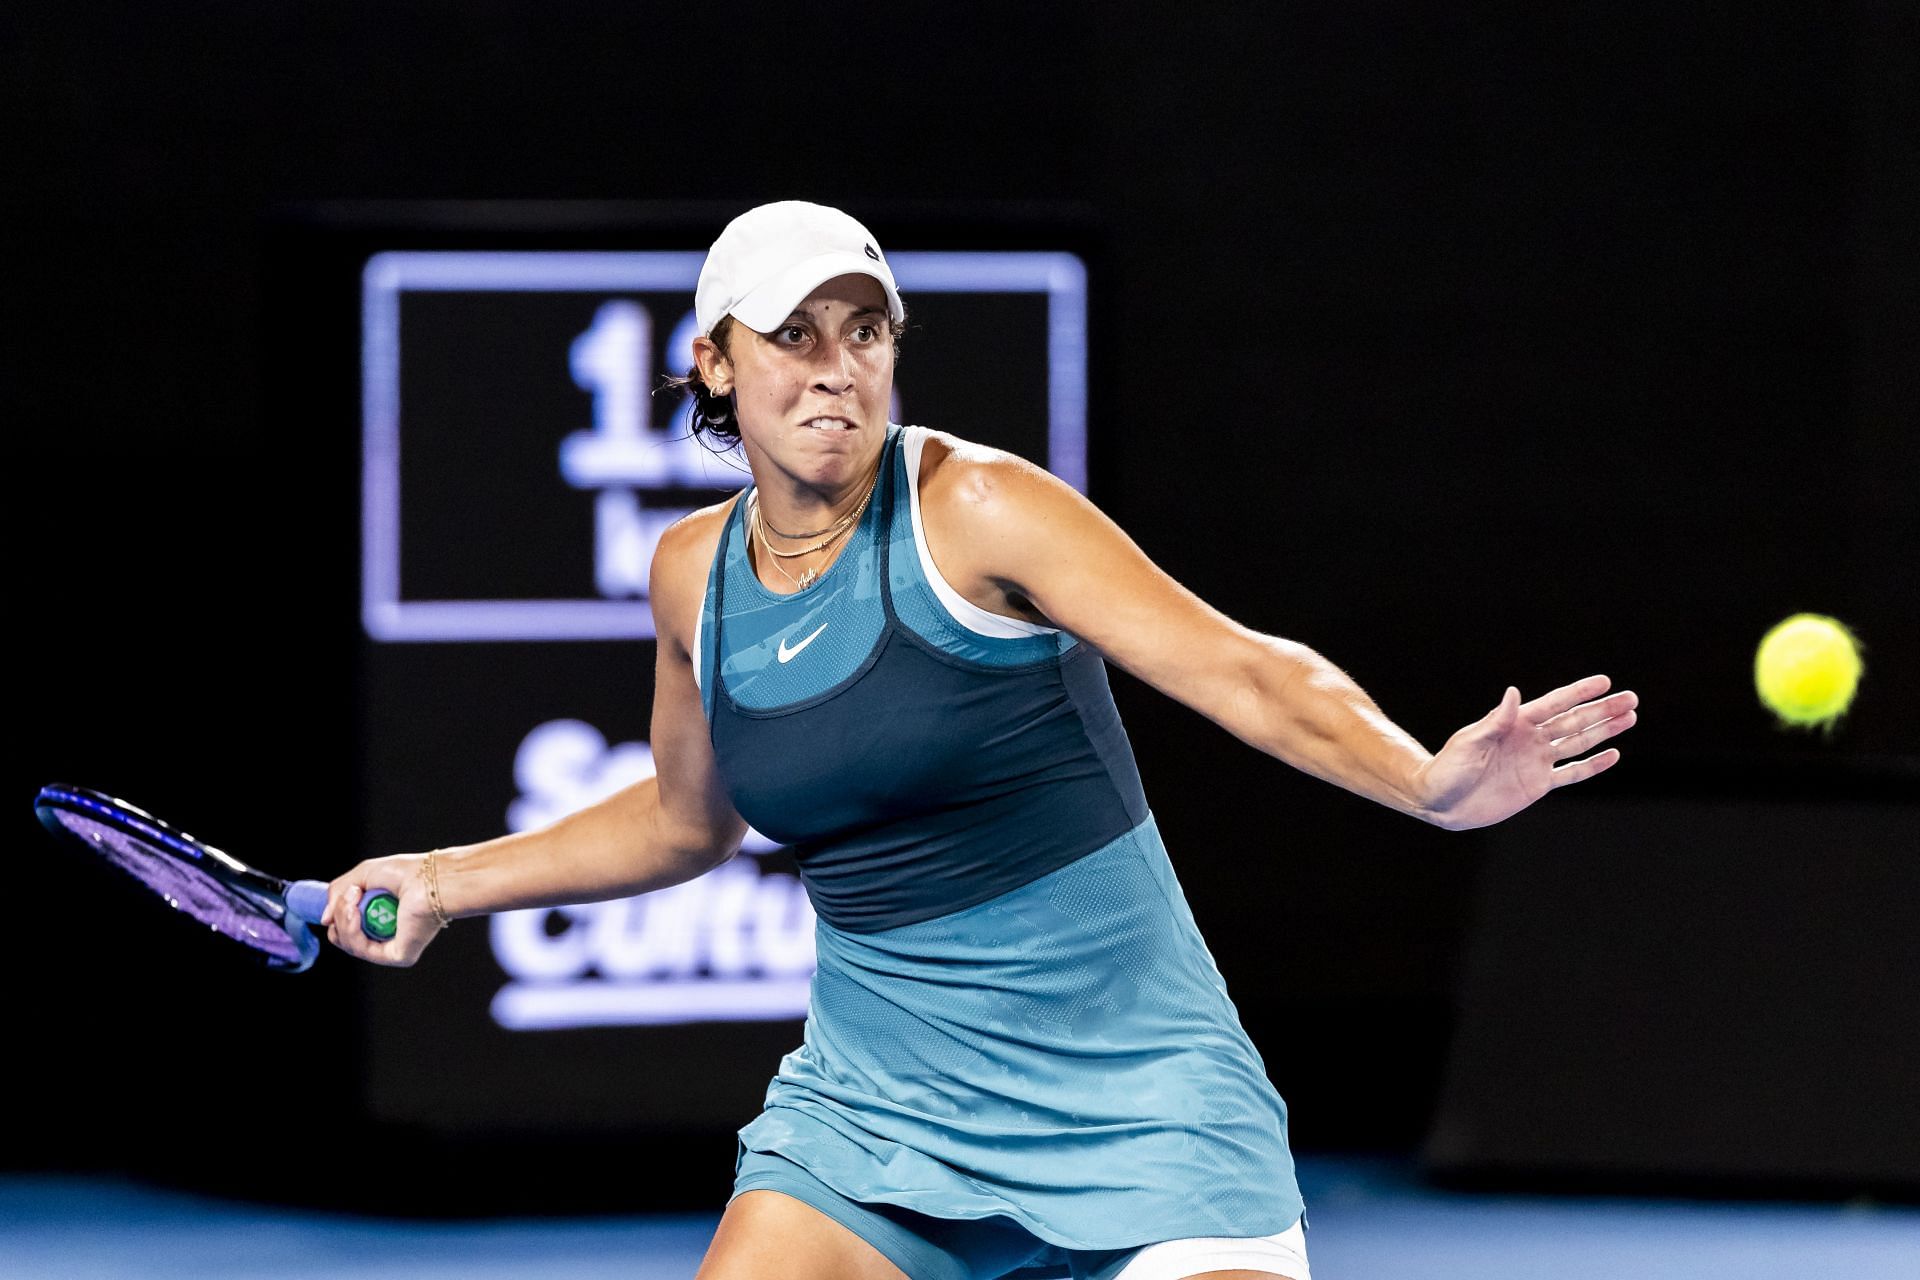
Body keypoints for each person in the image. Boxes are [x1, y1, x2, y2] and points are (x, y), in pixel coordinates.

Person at [320, 200, 1639, 1280]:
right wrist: (439, 879)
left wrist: (1423, 781)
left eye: (865, 330)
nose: (837, 364)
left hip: (1141, 1107)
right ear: (717, 361)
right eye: (791, 334)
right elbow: (683, 820)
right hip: (876, 1120)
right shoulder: (689, 577)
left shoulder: (983, 508)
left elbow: (1242, 669)